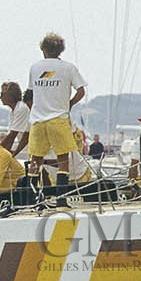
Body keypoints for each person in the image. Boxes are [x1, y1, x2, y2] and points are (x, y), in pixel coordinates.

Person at [25, 32, 87, 186]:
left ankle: (31, 194)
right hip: (59, 118)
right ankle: (61, 194)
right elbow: (81, 91)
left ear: (43, 49)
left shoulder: (35, 68)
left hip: (38, 119)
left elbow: (30, 93)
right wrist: (70, 103)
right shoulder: (68, 68)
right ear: (61, 50)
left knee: (35, 160)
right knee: (63, 159)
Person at [0, 82, 31, 158]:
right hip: (25, 146)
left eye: (2, 94)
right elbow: (10, 136)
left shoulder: (21, 109)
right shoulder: (13, 111)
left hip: (30, 148)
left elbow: (13, 135)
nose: (0, 97)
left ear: (10, 96)